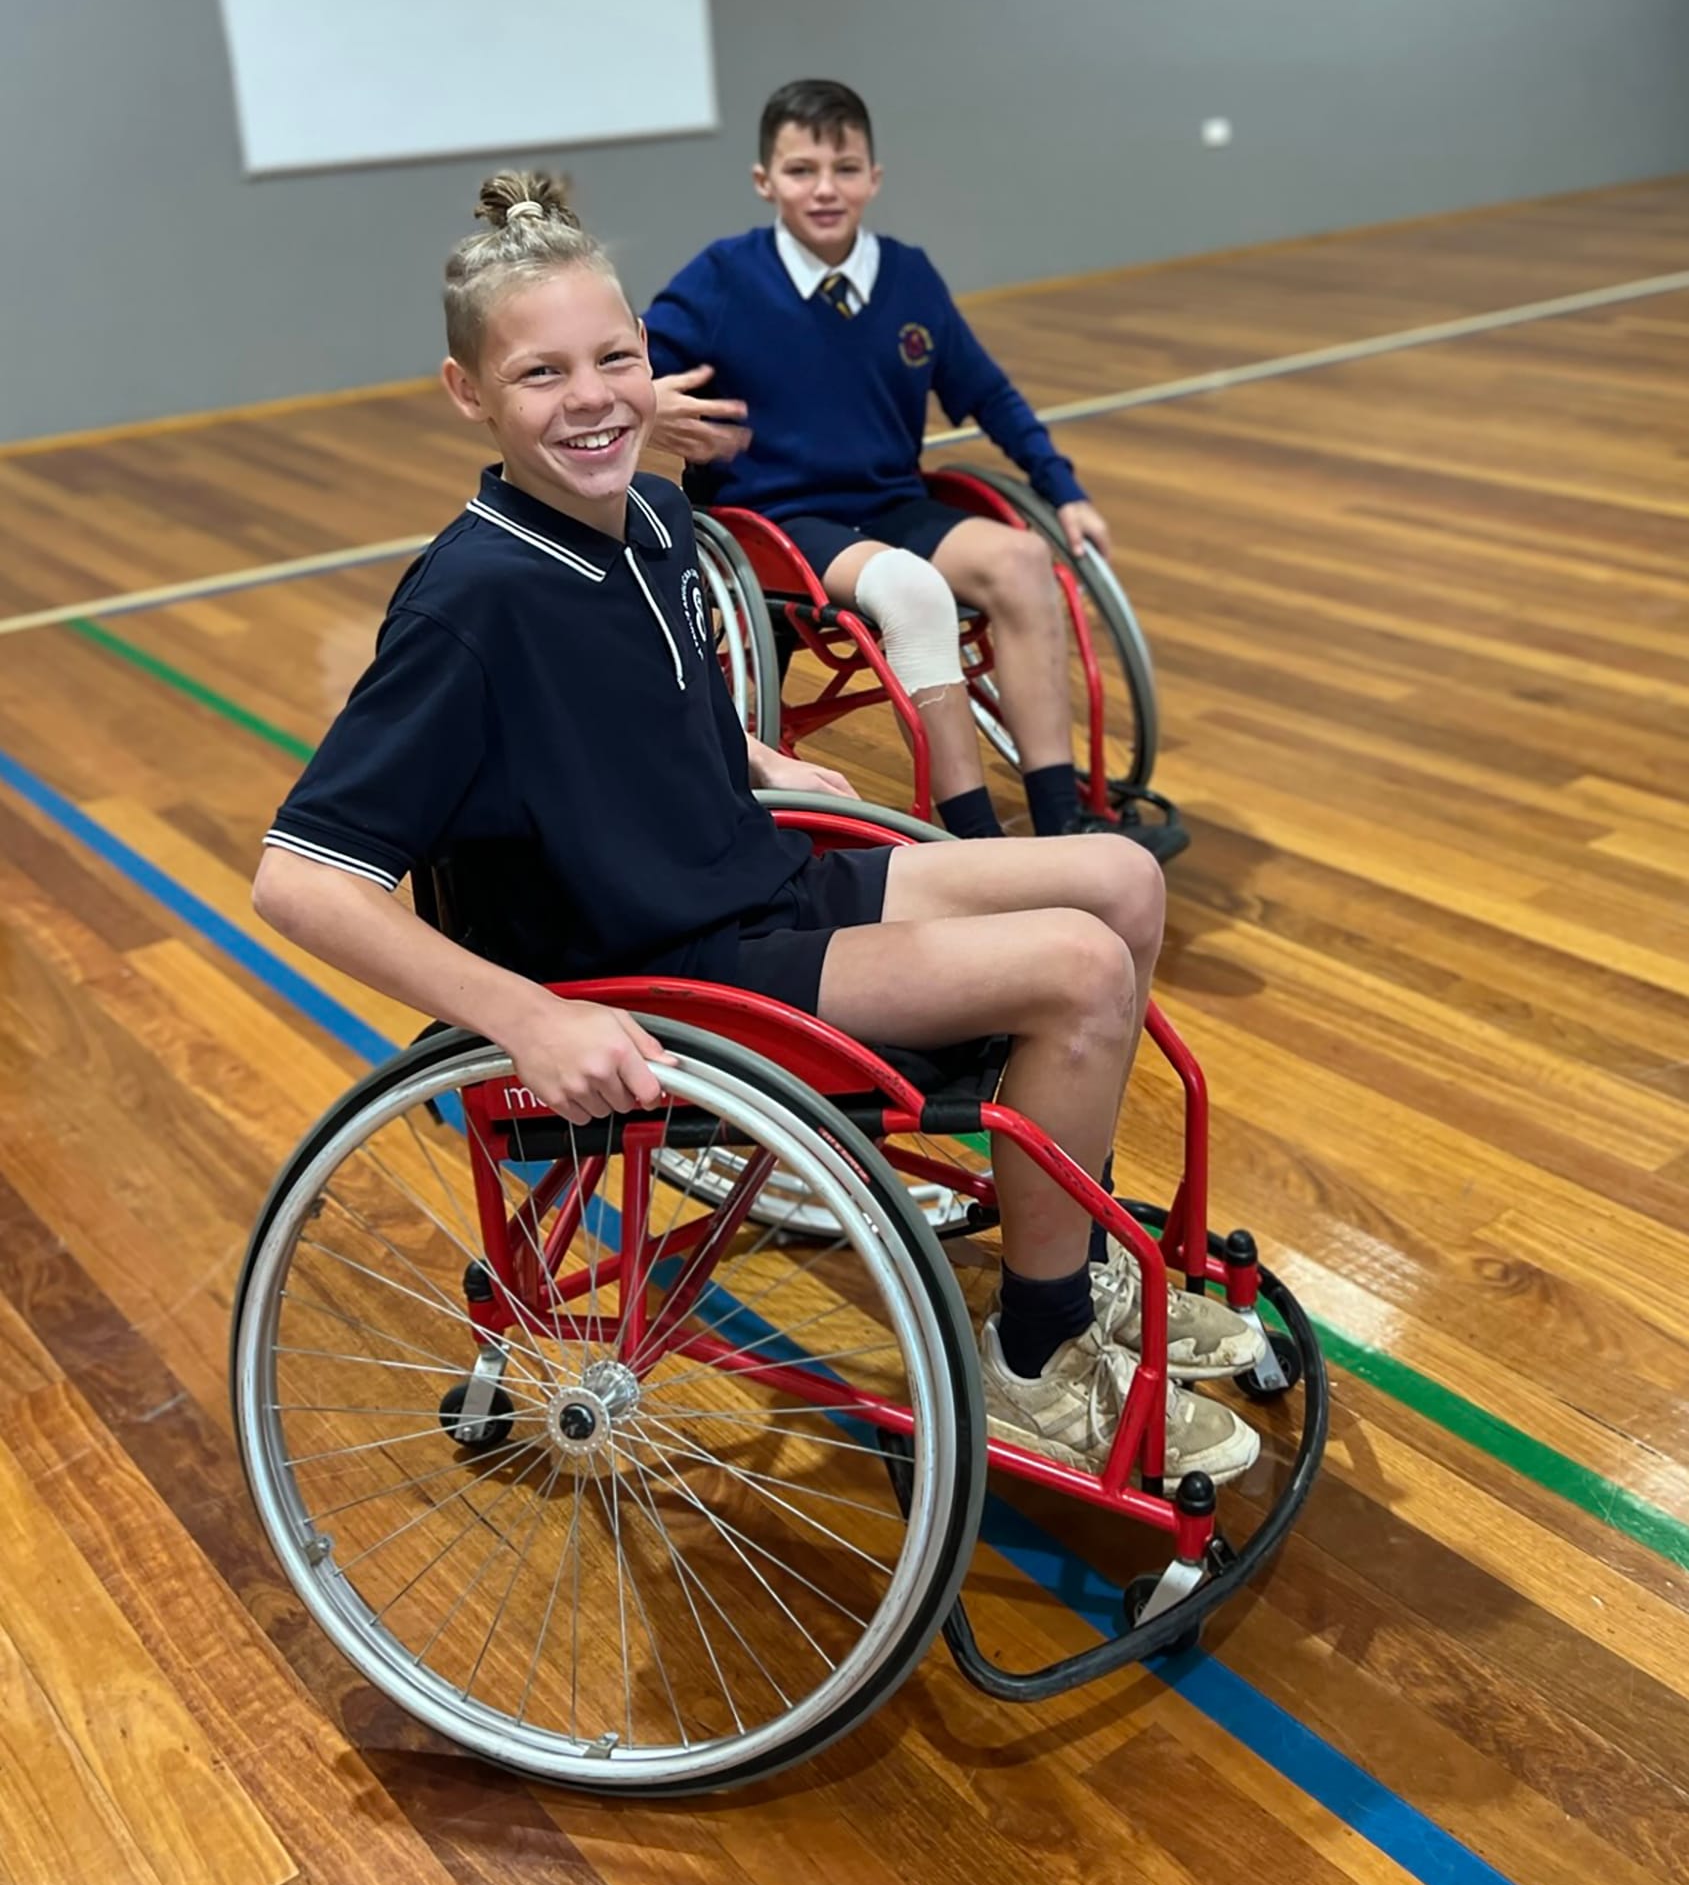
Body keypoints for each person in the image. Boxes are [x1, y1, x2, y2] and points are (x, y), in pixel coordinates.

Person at [251, 171, 1261, 1479]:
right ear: (470, 397)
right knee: (1073, 968)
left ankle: (1063, 1261)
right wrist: (529, 1017)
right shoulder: (472, 607)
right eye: (542, 375)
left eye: (615, 359)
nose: (594, 397)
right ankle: (1033, 1354)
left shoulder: (657, 519)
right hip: (660, 966)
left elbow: (633, 699)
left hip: (750, 879)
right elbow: (299, 880)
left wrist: (756, 750)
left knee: (1120, 879)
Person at [644, 77, 1119, 844]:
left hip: (891, 503)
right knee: (912, 590)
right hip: (778, 519)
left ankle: (1062, 824)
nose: (825, 189)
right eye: (802, 171)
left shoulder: (908, 276)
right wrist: (648, 403)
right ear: (765, 181)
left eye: (845, 168)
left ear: (874, 177)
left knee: (1025, 561)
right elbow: (616, 361)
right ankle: (975, 845)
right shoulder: (723, 278)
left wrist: (1062, 489)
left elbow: (990, 395)